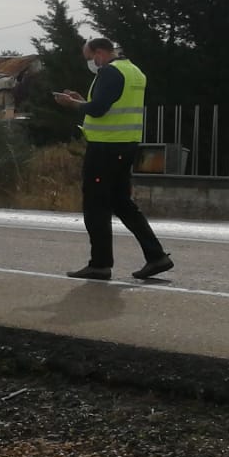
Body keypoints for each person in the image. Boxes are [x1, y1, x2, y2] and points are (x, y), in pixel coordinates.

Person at [53, 38, 172, 280]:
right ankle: (157, 256)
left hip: (105, 148)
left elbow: (99, 109)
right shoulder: (134, 71)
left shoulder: (109, 72)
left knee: (96, 205)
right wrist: (82, 100)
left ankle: (100, 264)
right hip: (126, 145)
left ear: (99, 53)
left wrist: (72, 104)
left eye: (89, 58)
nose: (90, 63)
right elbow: (110, 105)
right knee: (122, 203)